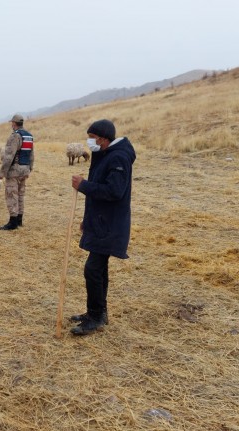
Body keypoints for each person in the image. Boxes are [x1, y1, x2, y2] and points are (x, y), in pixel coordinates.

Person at [70, 119, 135, 336]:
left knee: (93, 269)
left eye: (92, 138)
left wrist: (84, 186)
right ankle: (97, 313)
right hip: (100, 221)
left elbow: (114, 191)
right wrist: (87, 221)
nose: (89, 142)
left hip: (110, 224)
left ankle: (96, 316)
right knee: (99, 269)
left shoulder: (119, 157)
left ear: (103, 139)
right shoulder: (106, 154)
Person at [0, 114, 34, 230]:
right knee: (20, 194)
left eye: (11, 123)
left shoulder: (15, 136)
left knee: (11, 194)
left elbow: (9, 156)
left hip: (14, 171)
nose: (11, 125)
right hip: (25, 169)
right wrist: (30, 168)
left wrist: (2, 172)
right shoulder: (29, 136)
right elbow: (31, 155)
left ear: (14, 123)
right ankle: (19, 220)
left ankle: (12, 222)